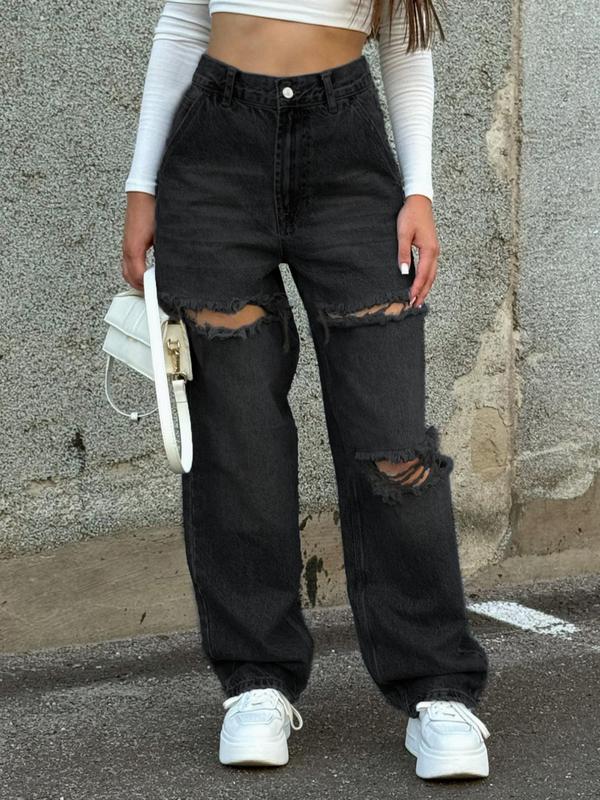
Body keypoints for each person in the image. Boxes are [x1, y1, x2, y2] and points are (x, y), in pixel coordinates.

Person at [121, 0, 491, 780]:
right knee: (237, 443)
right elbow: (182, 25)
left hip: (348, 160)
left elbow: (405, 45)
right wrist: (142, 186)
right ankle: (255, 682)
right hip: (213, 165)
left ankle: (436, 688)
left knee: (392, 445)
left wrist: (419, 190)